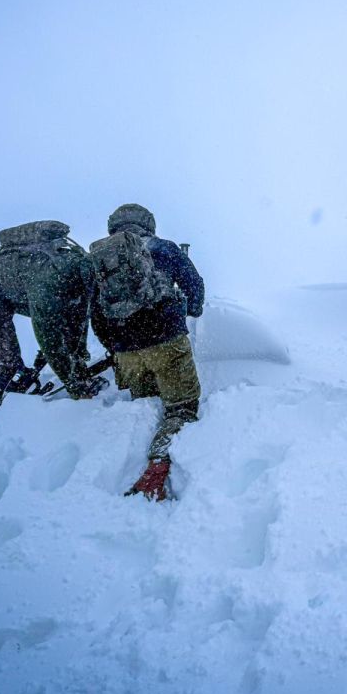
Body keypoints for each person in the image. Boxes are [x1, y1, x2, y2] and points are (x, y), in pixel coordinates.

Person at [89, 203, 205, 502]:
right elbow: (194, 284)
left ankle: (128, 453)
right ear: (148, 224)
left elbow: (95, 312)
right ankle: (157, 466)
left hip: (125, 350)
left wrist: (116, 347)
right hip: (165, 339)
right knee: (180, 406)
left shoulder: (99, 259)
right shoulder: (164, 248)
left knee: (146, 401)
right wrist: (190, 310)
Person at [0, 220, 103, 414]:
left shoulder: (80, 269)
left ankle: (26, 378)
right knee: (6, 354)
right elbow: (48, 337)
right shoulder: (50, 281)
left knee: (66, 322)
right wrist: (74, 385)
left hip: (16, 289)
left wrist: (78, 358)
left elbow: (77, 319)